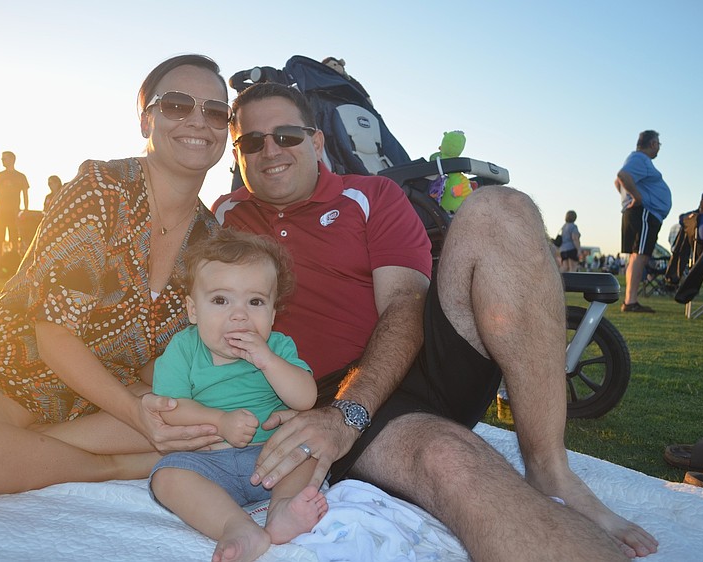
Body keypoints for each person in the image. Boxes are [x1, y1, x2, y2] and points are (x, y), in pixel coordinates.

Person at [213, 82, 658, 560]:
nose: (270, 150)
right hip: (320, 394)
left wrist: (351, 414)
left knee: (500, 207)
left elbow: (406, 301)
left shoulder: (371, 195)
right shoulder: (226, 215)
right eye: (252, 142)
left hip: (402, 363)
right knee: (448, 459)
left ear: (317, 142)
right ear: (236, 155)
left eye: (287, 135)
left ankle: (549, 465)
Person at [0, 54, 232, 500]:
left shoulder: (210, 240)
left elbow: (160, 357)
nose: (198, 121)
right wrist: (141, 418)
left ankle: (28, 452)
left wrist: (198, 389)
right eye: (177, 105)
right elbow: (54, 334)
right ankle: (113, 467)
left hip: (106, 408)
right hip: (15, 380)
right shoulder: (101, 188)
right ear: (145, 121)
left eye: (216, 112)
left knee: (220, 415)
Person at [149, 228, 327, 562]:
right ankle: (236, 526)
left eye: (255, 302)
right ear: (193, 310)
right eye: (220, 300)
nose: (239, 314)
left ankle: (282, 511)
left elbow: (305, 399)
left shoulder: (277, 347)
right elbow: (170, 409)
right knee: (167, 476)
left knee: (309, 453)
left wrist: (268, 361)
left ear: (273, 315)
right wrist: (219, 421)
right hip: (208, 462)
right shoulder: (184, 348)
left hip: (271, 453)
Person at [616, 130, 672, 313]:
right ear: (653, 143)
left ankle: (630, 300)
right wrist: (637, 197)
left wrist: (628, 196)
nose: (658, 148)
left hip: (642, 212)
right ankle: (630, 301)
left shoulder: (636, 159)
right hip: (644, 212)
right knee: (639, 255)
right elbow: (622, 176)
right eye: (658, 144)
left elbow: (618, 181)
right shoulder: (640, 158)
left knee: (638, 255)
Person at [0, 151, 30, 277]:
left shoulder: (21, 176)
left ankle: (13, 268)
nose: (2, 160)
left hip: (14, 212)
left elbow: (25, 194)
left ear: (12, 160)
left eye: (5, 158)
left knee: (14, 241)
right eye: (2, 158)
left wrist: (25, 210)